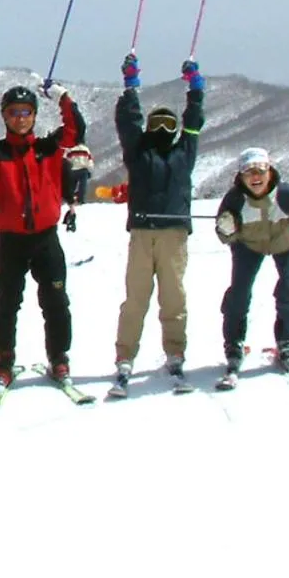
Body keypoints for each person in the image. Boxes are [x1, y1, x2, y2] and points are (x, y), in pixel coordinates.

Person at [0, 81, 85, 385]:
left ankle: (59, 357)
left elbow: (76, 128)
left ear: (34, 116)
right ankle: (4, 359)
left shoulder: (48, 148)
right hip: (11, 241)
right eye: (12, 113)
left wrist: (62, 95)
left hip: (46, 239)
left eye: (26, 112)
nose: (20, 118)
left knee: (56, 300)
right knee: (7, 301)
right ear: (5, 117)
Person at [111, 55, 204, 392]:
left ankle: (175, 353)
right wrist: (130, 88)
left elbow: (195, 121)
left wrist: (195, 91)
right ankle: (125, 357)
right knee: (136, 297)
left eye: (169, 125)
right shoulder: (139, 153)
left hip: (174, 235)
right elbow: (127, 123)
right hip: (142, 232)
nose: (163, 130)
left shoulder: (185, 153)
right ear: (149, 129)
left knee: (173, 297)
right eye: (157, 125)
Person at [215, 146, 289, 377]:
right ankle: (233, 342)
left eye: (260, 170)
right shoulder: (234, 199)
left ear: (269, 171)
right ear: (241, 176)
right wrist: (226, 230)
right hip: (249, 245)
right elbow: (223, 234)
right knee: (239, 292)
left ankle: (287, 342)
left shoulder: (287, 194)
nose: (255, 177)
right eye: (249, 172)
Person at [61, 143, 94, 233]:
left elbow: (65, 160)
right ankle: (80, 198)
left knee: (70, 188)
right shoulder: (85, 149)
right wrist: (90, 170)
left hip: (73, 170)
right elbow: (90, 161)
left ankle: (71, 200)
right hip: (83, 170)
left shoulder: (70, 149)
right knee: (82, 186)